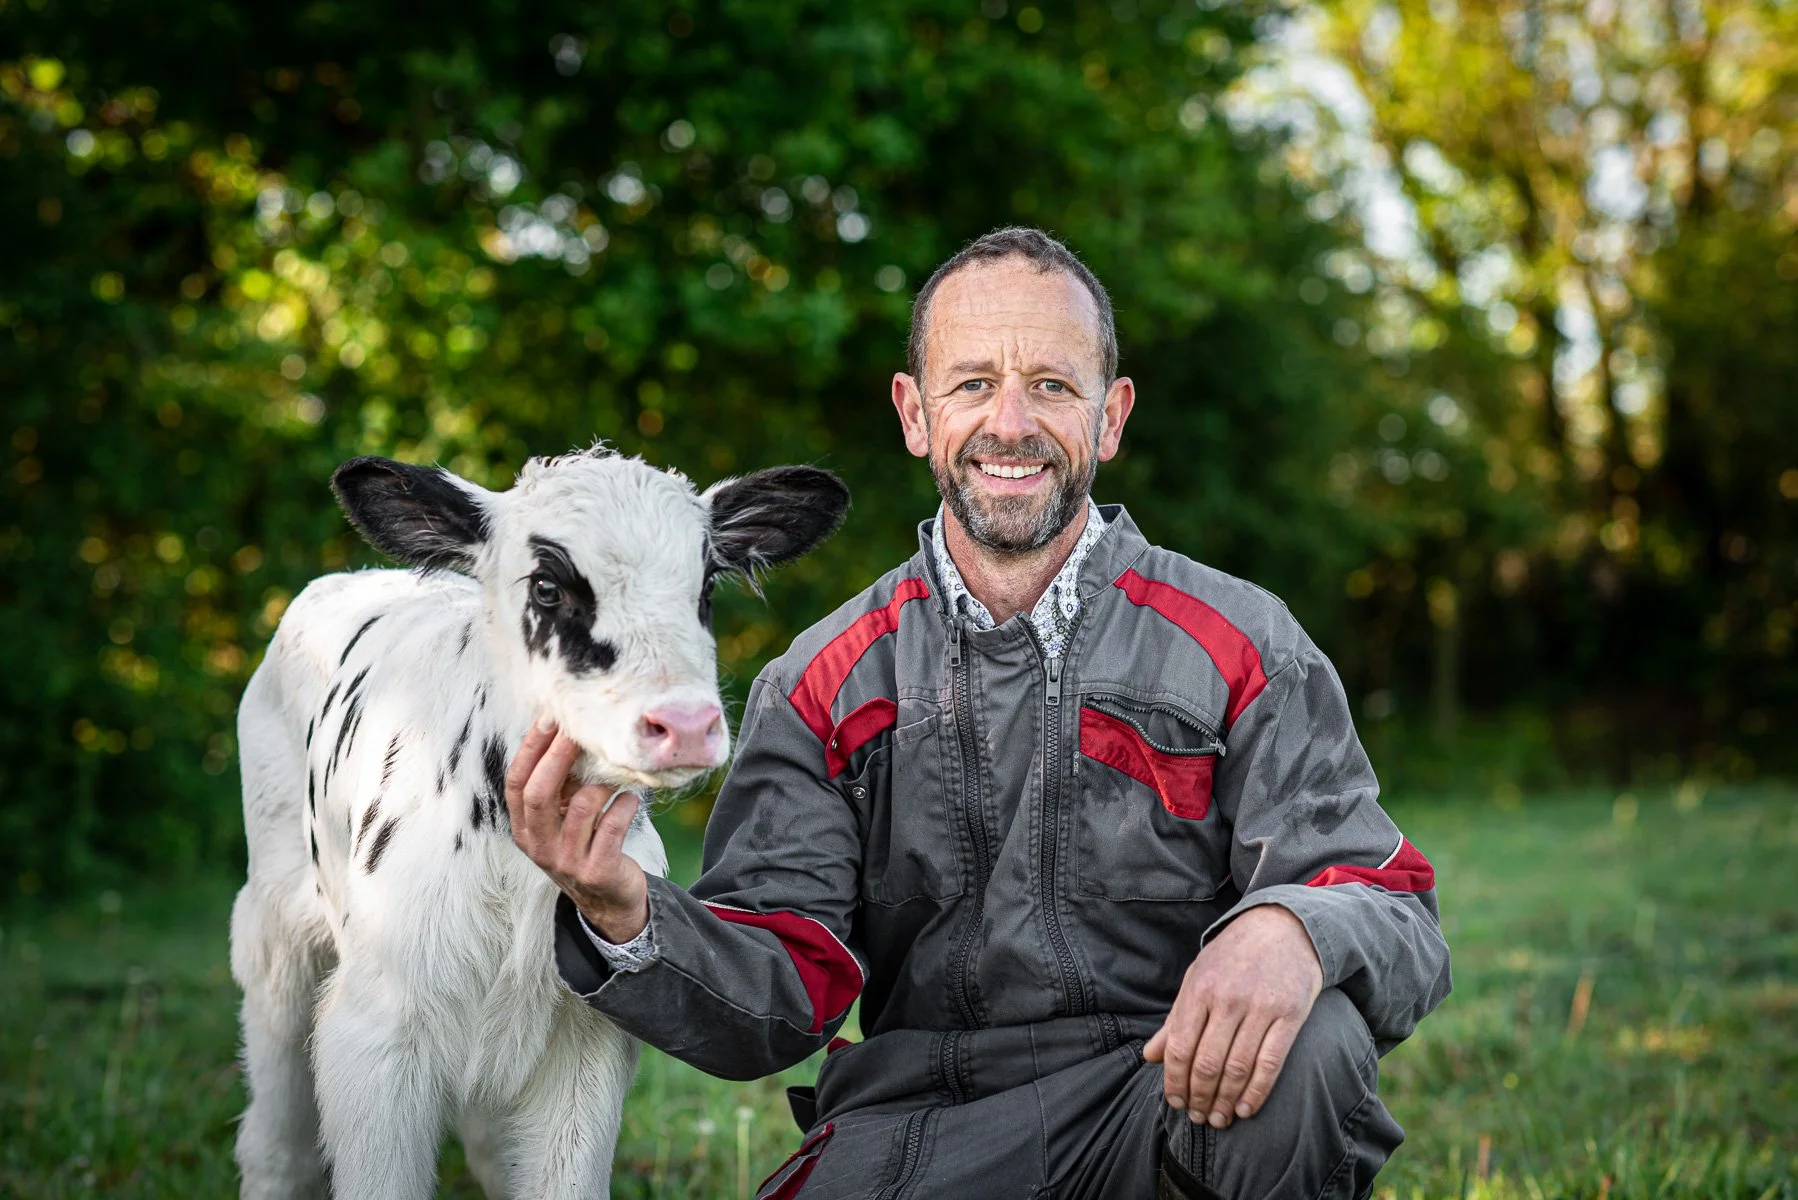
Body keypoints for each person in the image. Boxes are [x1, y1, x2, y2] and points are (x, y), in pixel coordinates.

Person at [505, 227, 1452, 1199]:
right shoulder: (821, 681)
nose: (1010, 423)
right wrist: (624, 910)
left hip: (1163, 1102)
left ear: (1110, 416)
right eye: (970, 384)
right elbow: (783, 996)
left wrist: (1294, 927)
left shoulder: (1240, 641)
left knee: (1311, 1039)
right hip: (919, 1133)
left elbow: (1387, 900)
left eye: (1051, 384)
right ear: (913, 414)